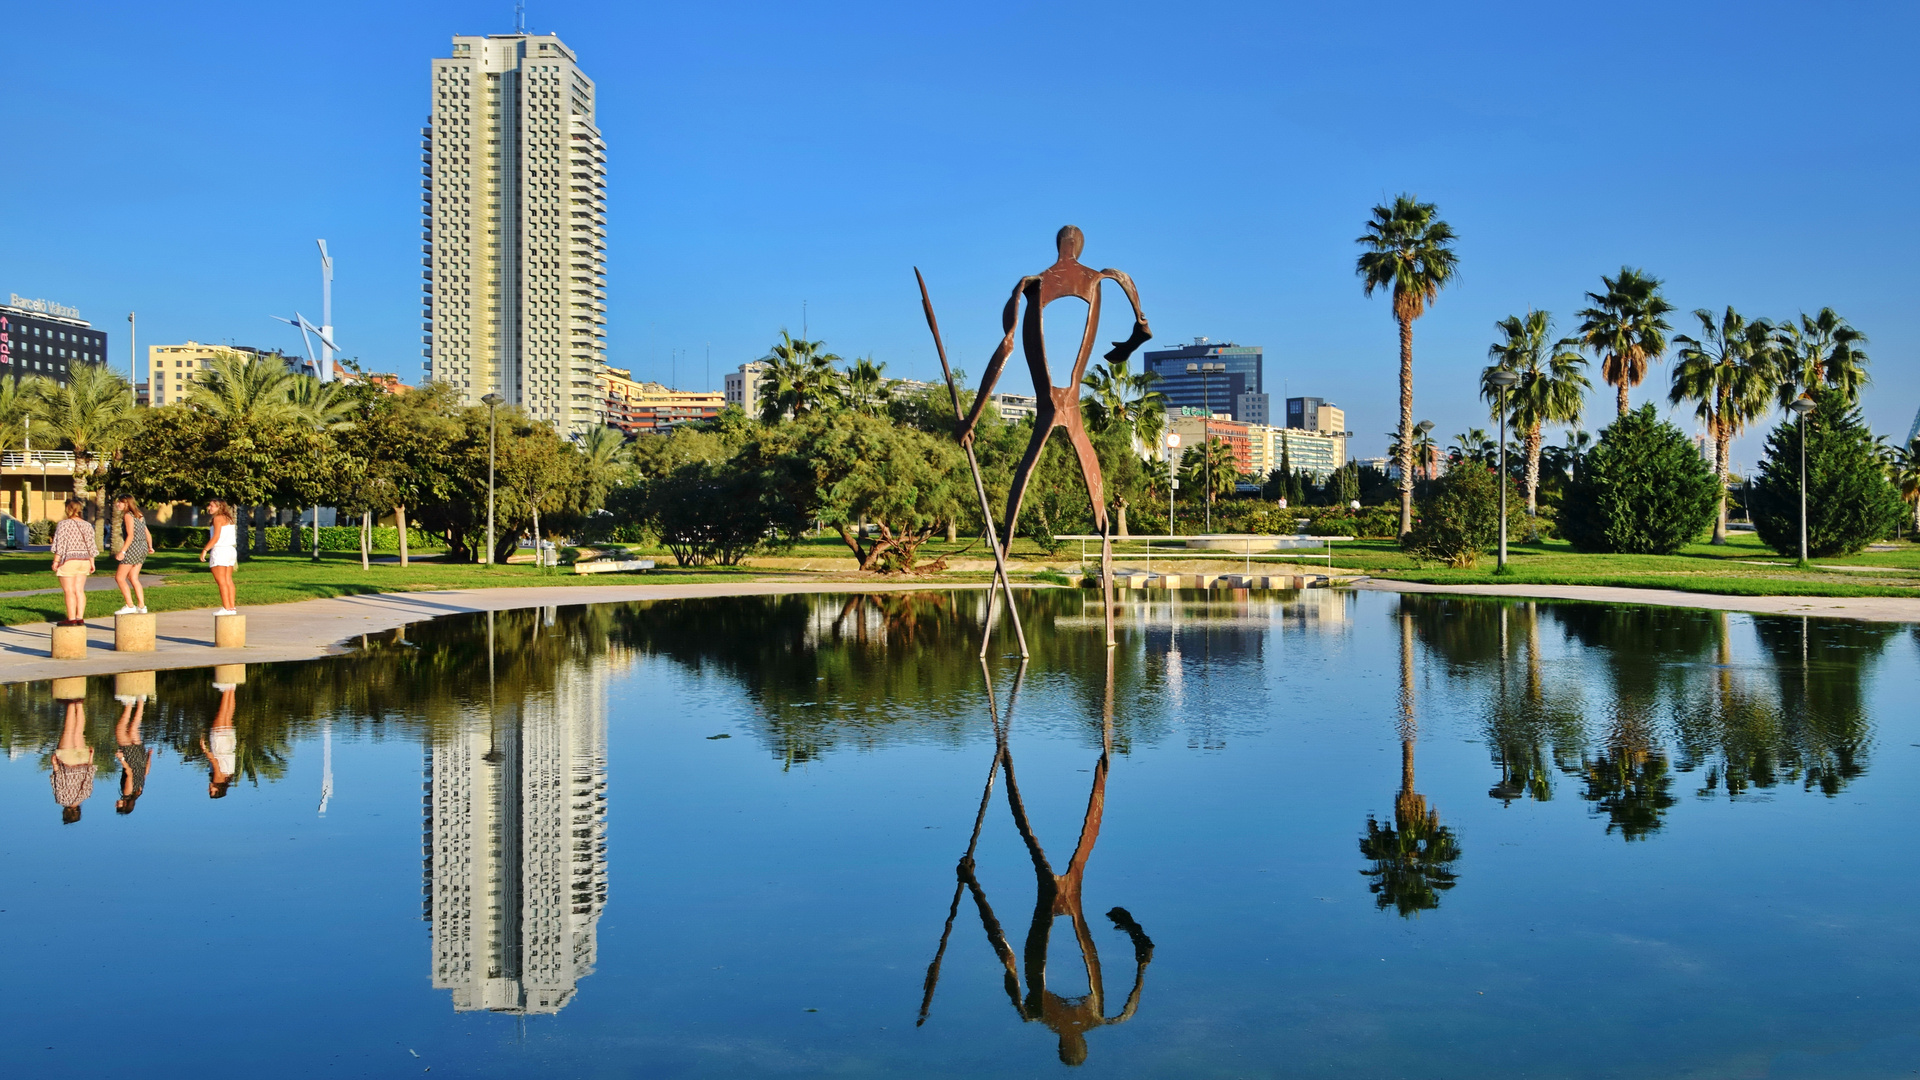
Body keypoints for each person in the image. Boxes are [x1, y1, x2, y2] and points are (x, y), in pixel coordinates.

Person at [50, 498, 97, 626]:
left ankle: (71, 619)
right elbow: (91, 545)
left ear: (68, 509)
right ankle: (80, 617)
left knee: (69, 590)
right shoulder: (87, 525)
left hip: (69, 560)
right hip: (84, 560)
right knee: (79, 590)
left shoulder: (63, 524)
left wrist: (56, 561)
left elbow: (60, 545)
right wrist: (92, 562)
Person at [52, 691, 94, 824]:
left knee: (79, 730)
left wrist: (91, 758)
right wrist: (55, 764)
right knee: (69, 729)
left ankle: (79, 702)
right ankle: (70, 698)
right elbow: (59, 782)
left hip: (82, 761)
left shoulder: (86, 795)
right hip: (67, 761)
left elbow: (89, 777)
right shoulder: (62, 800)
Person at [113, 687, 151, 815]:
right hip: (131, 758)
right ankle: (129, 701)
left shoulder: (139, 791)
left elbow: (145, 772)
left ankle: (141, 697)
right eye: (118, 806)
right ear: (124, 804)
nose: (115, 804)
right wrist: (121, 758)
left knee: (134, 727)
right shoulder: (127, 793)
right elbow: (129, 773)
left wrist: (149, 756)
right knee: (120, 729)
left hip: (141, 756)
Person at [111, 496, 151, 616]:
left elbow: (130, 535)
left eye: (120, 502)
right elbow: (146, 531)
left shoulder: (128, 515)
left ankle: (129, 605)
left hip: (132, 548)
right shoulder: (139, 514)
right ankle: (142, 605)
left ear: (127, 503)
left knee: (119, 577)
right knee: (133, 577)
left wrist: (122, 551)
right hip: (142, 548)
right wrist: (150, 545)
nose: (118, 504)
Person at [198, 499, 238, 616]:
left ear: (219, 507)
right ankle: (231, 607)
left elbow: (215, 537)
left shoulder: (218, 518)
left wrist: (205, 550)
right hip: (230, 550)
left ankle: (226, 607)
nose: (209, 508)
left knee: (221, 581)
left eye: (212, 506)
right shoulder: (228, 518)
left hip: (220, 550)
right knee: (228, 580)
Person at [202, 678, 238, 799]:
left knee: (228, 715)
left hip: (230, 745)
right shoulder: (218, 778)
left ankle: (232, 687)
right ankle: (226, 686)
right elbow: (215, 762)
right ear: (217, 789)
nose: (209, 788)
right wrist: (205, 750)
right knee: (222, 713)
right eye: (211, 791)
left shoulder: (229, 776)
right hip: (220, 746)